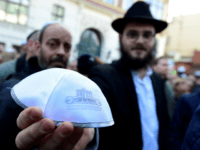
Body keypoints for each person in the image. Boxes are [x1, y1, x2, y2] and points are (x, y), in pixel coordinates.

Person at [0, 23, 97, 150]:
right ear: (37, 47)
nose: (61, 52)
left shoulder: (73, 87)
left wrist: (91, 133)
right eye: (53, 44)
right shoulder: (14, 90)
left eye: (67, 47)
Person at [89, 1, 170, 150]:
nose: (140, 41)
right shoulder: (104, 76)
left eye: (147, 35)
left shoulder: (158, 81)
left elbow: (164, 127)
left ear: (153, 40)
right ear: (121, 38)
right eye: (133, 34)